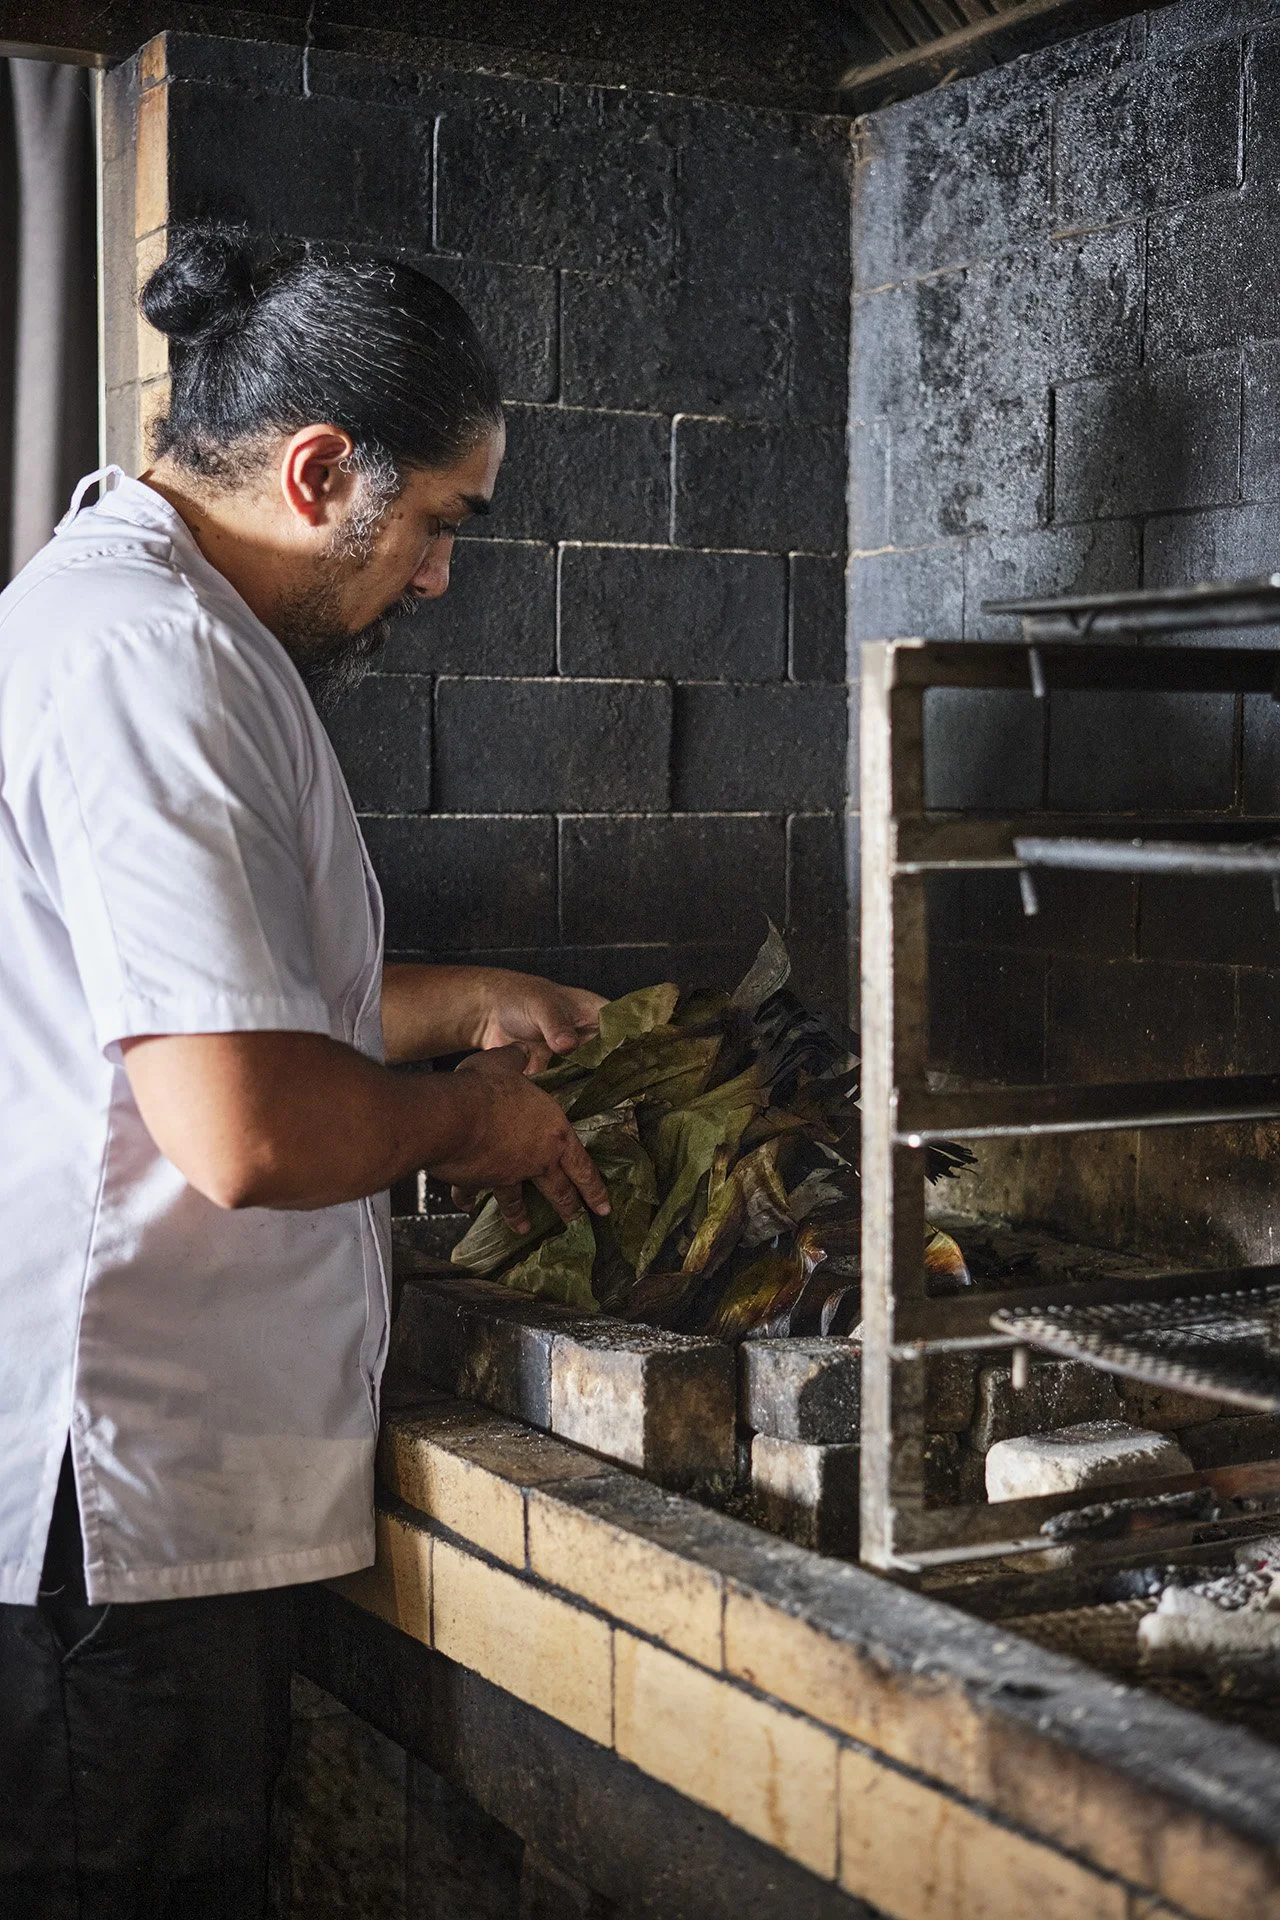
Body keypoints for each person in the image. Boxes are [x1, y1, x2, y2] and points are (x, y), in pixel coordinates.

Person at [0, 225, 611, 1919]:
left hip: (123, 1497)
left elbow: (198, 1006)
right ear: (320, 468)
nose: (431, 579)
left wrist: (458, 999)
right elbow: (246, 1129)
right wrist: (476, 1122)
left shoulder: (124, 621)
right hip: (111, 1506)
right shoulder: (157, 662)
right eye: (435, 527)